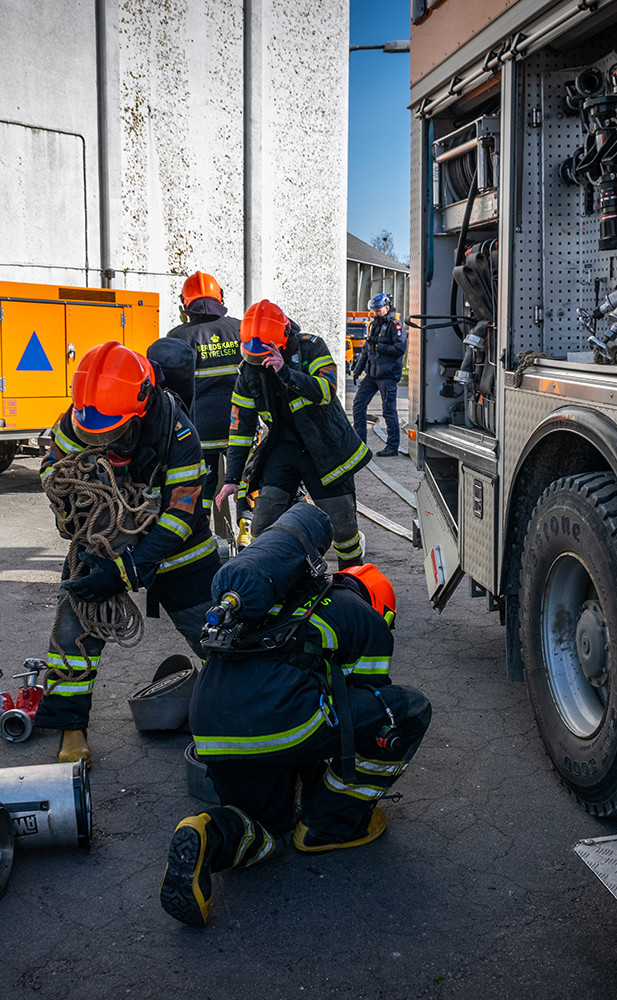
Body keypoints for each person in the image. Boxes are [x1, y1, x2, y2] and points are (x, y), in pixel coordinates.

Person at [159, 504, 431, 927]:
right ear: (382, 607)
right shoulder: (364, 618)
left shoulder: (275, 596)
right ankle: (330, 825)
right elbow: (366, 705)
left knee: (264, 829)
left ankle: (209, 833)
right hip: (279, 720)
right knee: (403, 712)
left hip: (212, 729)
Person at [35, 341, 220, 767]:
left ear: (139, 408)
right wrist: (70, 491)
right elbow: (53, 464)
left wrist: (128, 570)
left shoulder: (178, 432)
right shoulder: (80, 417)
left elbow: (182, 515)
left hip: (180, 551)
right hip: (101, 540)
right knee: (73, 632)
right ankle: (71, 724)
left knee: (216, 634)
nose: (98, 438)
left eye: (110, 431)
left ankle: (248, 703)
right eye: (90, 430)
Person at [215, 299, 371, 569]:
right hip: (283, 449)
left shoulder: (312, 347)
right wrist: (231, 478)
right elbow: (240, 428)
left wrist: (285, 372)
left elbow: (326, 391)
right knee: (262, 526)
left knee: (343, 528)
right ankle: (274, 583)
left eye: (262, 354)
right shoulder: (248, 372)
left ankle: (354, 578)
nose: (257, 360)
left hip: (324, 449)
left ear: (283, 339)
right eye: (251, 355)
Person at [165, 271, 242, 515]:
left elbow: (171, 389)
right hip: (241, 427)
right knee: (247, 481)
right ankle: (246, 527)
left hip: (200, 431)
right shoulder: (240, 329)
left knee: (203, 487)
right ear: (220, 299)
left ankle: (203, 534)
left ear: (185, 304)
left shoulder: (178, 337)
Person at [352, 292, 407, 458]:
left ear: (387, 308)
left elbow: (400, 349)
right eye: (373, 310)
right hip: (372, 375)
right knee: (358, 405)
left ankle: (392, 447)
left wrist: (380, 347)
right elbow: (366, 351)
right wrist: (357, 370)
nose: (375, 313)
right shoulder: (373, 325)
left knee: (388, 411)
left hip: (387, 376)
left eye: (377, 310)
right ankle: (359, 444)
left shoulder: (395, 326)